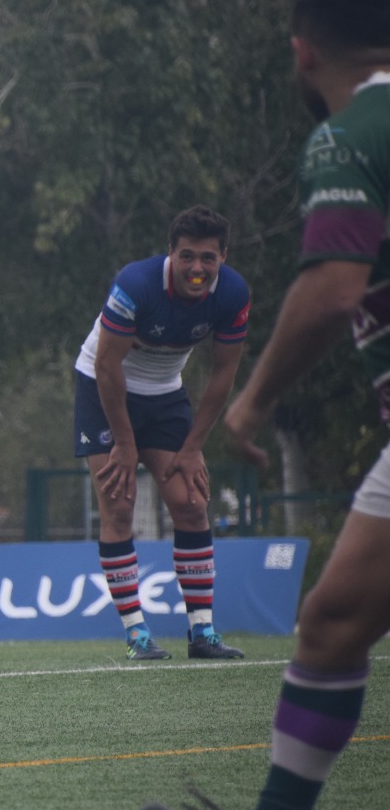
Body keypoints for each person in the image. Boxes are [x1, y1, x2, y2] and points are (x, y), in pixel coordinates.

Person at [141, 0, 390, 810]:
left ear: (301, 50)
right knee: (330, 622)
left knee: (332, 626)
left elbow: (332, 290)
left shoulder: (348, 133)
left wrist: (250, 402)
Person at [73, 204, 251, 661]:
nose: (197, 268)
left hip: (165, 394)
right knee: (119, 504)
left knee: (192, 503)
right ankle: (137, 635)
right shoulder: (135, 285)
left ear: (223, 258)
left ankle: (202, 634)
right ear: (170, 254)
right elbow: (106, 366)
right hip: (104, 388)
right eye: (187, 256)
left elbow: (222, 375)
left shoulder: (232, 294)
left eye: (208, 258)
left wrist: (194, 447)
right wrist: (125, 445)